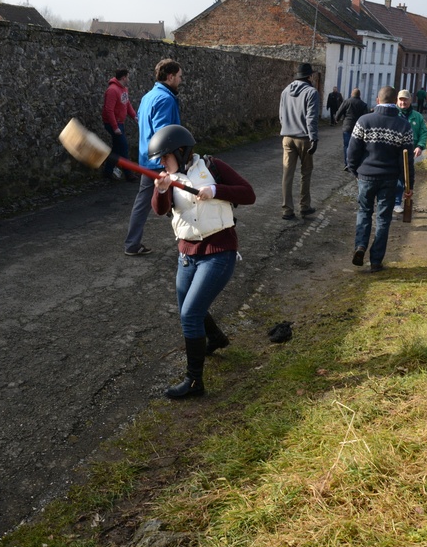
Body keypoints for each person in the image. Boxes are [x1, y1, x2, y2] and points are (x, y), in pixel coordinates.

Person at [150, 125, 256, 398]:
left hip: (219, 251)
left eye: (165, 157)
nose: (162, 163)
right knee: (189, 308)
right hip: (187, 255)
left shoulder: (212, 166)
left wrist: (215, 189)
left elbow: (248, 193)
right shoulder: (168, 178)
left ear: (180, 151)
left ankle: (195, 382)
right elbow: (160, 210)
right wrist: (161, 190)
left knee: (190, 315)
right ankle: (217, 339)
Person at [345, 86, 414, 272]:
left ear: (377, 100)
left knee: (364, 212)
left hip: (366, 175)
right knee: (383, 218)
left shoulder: (364, 120)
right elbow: (407, 160)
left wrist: (355, 171)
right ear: (395, 101)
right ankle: (376, 260)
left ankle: (360, 246)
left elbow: (352, 151)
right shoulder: (403, 125)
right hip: (389, 178)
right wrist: (409, 184)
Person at [123, 59, 183, 256]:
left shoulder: (148, 96)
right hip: (161, 162)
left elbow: (141, 122)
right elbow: (162, 133)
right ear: (170, 76)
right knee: (182, 200)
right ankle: (191, 245)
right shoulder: (165, 99)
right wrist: (168, 162)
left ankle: (132, 245)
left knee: (146, 202)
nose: (181, 81)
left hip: (147, 159)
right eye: (179, 77)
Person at [279, 62, 320, 220]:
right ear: (309, 76)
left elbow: (281, 115)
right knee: (306, 173)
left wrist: (287, 128)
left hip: (287, 138)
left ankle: (287, 209)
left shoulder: (285, 91)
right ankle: (304, 206)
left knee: (287, 174)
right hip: (304, 138)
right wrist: (314, 138)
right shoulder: (311, 92)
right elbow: (311, 118)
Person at [394, 89, 427, 214]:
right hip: (394, 150)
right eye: (401, 100)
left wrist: (420, 146)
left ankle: (404, 198)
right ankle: (396, 202)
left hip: (410, 150)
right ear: (397, 100)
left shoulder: (417, 116)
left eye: (405, 100)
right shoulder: (393, 114)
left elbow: (423, 132)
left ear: (410, 100)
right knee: (396, 175)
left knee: (407, 175)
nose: (403, 102)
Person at [101, 68, 138, 182]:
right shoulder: (112, 90)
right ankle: (128, 174)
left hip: (119, 123)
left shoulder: (124, 89)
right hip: (113, 124)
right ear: (123, 78)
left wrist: (134, 116)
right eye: (128, 77)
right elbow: (109, 110)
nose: (129, 79)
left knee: (117, 149)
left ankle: (108, 172)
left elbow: (127, 104)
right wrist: (115, 127)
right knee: (123, 147)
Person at [336, 88, 370, 167]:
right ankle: (355, 163)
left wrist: (336, 119)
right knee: (357, 146)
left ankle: (347, 163)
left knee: (347, 145)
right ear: (359, 95)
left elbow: (339, 111)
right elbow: (365, 116)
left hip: (347, 126)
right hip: (358, 127)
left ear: (352, 94)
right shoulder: (363, 104)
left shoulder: (346, 102)